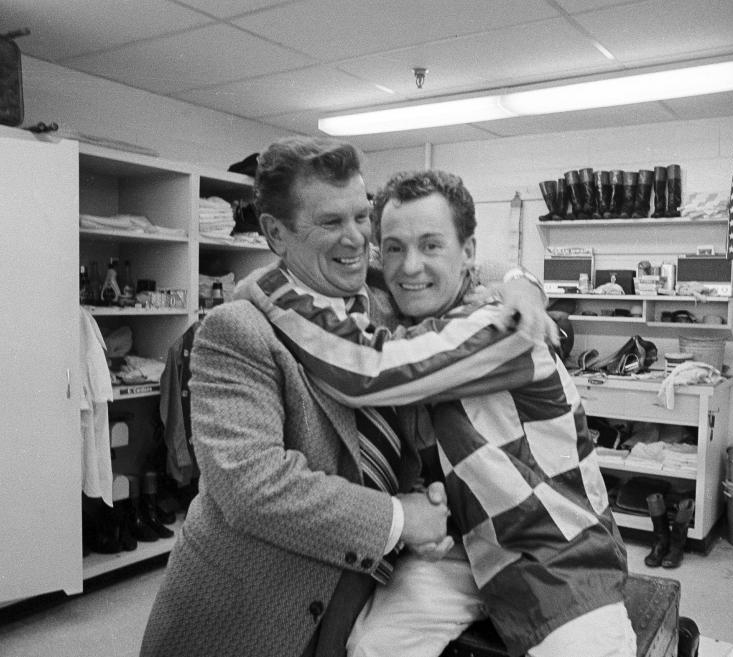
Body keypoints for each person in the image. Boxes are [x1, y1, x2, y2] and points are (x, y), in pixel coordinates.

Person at [139, 138, 552, 657]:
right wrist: (401, 517)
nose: (357, 238)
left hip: (357, 597)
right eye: (331, 223)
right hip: (249, 613)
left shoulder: (388, 297)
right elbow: (253, 488)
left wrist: (523, 283)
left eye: (362, 215)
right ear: (274, 233)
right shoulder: (236, 330)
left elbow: (460, 262)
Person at [342, 170, 636, 657]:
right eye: (394, 248)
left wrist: (519, 284)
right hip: (465, 546)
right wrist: (518, 277)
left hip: (557, 550)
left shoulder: (499, 325)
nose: (409, 266)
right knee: (373, 647)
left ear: (469, 251)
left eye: (431, 245)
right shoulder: (419, 328)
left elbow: (369, 371)